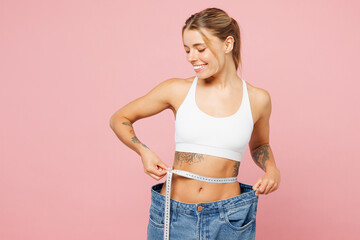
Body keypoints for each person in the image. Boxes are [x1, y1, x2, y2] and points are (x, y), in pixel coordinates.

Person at [110, 7, 280, 240]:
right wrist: (143, 152)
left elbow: (260, 145)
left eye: (200, 49)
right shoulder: (177, 89)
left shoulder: (258, 99)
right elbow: (119, 118)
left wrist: (272, 170)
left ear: (227, 44)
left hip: (229, 219)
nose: (191, 57)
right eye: (187, 50)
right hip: (174, 215)